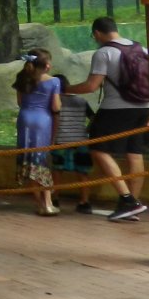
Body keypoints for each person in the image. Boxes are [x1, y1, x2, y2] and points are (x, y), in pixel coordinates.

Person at [63, 16, 149, 221]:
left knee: (97, 147)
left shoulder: (104, 53)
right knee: (134, 152)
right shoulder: (142, 49)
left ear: (97, 34)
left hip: (116, 108)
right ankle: (131, 205)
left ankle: (128, 199)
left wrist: (66, 89)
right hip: (144, 107)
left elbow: (91, 86)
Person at [13, 48, 60, 216]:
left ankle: (39, 204)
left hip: (24, 119)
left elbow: (20, 102)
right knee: (42, 159)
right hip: (43, 121)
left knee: (28, 159)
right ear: (47, 65)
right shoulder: (54, 81)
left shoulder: (21, 78)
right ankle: (48, 203)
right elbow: (56, 107)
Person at [52, 73, 96, 214]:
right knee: (82, 171)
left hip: (61, 140)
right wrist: (86, 130)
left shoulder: (55, 100)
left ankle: (55, 198)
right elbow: (93, 117)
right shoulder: (81, 100)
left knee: (57, 170)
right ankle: (84, 202)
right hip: (81, 140)